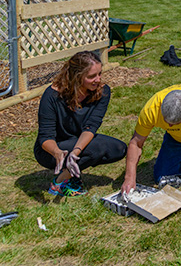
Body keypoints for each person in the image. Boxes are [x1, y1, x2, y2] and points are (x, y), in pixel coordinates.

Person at [34, 51, 126, 196]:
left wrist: (75, 152)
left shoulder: (102, 92)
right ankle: (59, 184)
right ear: (76, 77)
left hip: (76, 142)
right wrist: (58, 153)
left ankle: (65, 176)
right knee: (97, 147)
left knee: (119, 149)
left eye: (100, 74)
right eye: (91, 76)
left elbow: (91, 126)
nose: (98, 79)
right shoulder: (52, 96)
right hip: (51, 150)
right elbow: (45, 138)